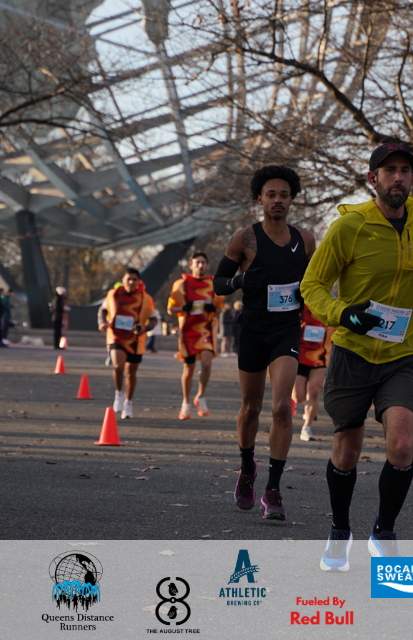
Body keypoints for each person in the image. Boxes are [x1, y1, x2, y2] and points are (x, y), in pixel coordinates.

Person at [301, 142, 413, 570]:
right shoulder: (349, 227)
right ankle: (339, 531)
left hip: (403, 353)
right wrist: (343, 314)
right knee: (347, 450)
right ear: (373, 179)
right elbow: (312, 286)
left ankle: (383, 532)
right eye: (389, 170)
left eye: (405, 170)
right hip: (353, 352)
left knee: (401, 442)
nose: (398, 177)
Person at [213, 165, 315, 522]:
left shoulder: (306, 240)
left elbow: (314, 284)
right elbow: (219, 283)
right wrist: (241, 281)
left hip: (286, 330)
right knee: (251, 407)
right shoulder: (245, 238)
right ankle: (246, 468)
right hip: (254, 330)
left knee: (282, 408)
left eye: (284, 195)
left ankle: (273, 490)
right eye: (271, 194)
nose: (278, 200)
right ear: (260, 198)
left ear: (292, 199)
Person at [167, 252, 224, 420]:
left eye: (203, 262)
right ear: (190, 265)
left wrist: (213, 309)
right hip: (188, 331)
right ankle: (186, 402)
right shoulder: (181, 284)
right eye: (197, 262)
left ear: (207, 265)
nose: (200, 265)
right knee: (189, 368)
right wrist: (185, 307)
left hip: (206, 329)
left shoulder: (213, 284)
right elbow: (171, 309)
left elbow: (219, 308)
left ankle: (200, 396)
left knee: (207, 362)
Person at [98, 268, 155, 419]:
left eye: (134, 279)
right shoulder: (113, 294)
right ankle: (119, 393)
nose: (131, 282)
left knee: (131, 373)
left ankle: (128, 403)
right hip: (115, 336)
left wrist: (145, 328)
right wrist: (102, 323)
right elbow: (102, 310)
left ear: (138, 281)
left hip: (135, 339)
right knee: (118, 366)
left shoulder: (146, 298)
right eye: (128, 279)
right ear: (122, 280)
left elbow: (154, 319)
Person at [292, 305, 334, 441]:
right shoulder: (300, 307)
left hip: (320, 357)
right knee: (298, 397)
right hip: (300, 356)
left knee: (314, 392)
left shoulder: (329, 307)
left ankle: (307, 427)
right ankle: (299, 404)